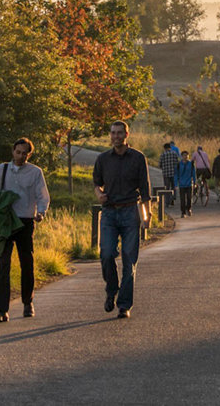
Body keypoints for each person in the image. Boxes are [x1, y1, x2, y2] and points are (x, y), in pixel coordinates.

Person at [0, 137, 49, 321]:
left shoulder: (35, 172)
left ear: (29, 154)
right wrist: (4, 199)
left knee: (26, 262)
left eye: (25, 153)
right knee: (3, 264)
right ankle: (2, 310)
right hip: (6, 221)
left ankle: (27, 302)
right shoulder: (2, 169)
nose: (21, 156)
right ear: (13, 151)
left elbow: (42, 195)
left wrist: (41, 212)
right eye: (18, 152)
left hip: (25, 221)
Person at [93, 121, 150, 318]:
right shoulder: (102, 159)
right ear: (110, 135)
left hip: (129, 212)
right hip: (109, 212)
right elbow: (96, 184)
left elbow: (145, 189)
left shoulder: (138, 158)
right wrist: (99, 194)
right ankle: (111, 290)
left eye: (119, 133)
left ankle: (124, 305)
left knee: (129, 259)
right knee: (107, 254)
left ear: (126, 134)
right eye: (113, 133)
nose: (116, 136)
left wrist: (146, 215)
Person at [175, 147, 198, 216]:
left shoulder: (191, 164)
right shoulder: (179, 164)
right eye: (184, 155)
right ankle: (183, 212)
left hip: (189, 184)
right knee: (182, 199)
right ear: (182, 156)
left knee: (189, 198)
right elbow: (176, 174)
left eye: (187, 155)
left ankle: (188, 209)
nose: (186, 157)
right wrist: (176, 184)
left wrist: (195, 182)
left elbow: (193, 174)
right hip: (181, 184)